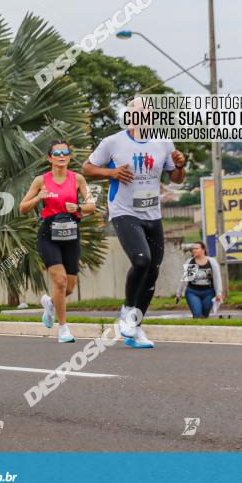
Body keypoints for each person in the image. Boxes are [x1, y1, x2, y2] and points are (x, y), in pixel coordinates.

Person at [82, 99, 186, 348]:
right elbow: (87, 168)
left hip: (153, 214)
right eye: (135, 113)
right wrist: (111, 173)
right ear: (128, 116)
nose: (140, 116)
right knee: (141, 260)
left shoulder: (163, 142)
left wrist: (182, 165)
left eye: (145, 112)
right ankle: (127, 310)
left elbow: (177, 179)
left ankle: (135, 327)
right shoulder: (113, 142)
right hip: (124, 211)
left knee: (152, 272)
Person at [19, 140, 96, 343]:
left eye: (65, 153)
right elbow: (23, 207)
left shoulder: (77, 179)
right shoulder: (40, 181)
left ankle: (50, 304)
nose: (61, 156)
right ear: (49, 158)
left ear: (69, 157)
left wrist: (78, 208)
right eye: (57, 153)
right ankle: (63, 329)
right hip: (49, 235)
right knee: (60, 282)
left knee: (69, 287)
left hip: (71, 234)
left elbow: (92, 205)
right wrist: (38, 198)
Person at [175, 241, 223, 318]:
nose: (194, 250)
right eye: (193, 249)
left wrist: (218, 293)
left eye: (196, 248)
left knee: (204, 315)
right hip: (193, 292)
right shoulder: (191, 262)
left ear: (203, 250)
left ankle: (203, 329)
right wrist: (179, 293)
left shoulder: (211, 262)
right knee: (197, 315)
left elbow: (217, 279)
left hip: (209, 292)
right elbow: (185, 280)